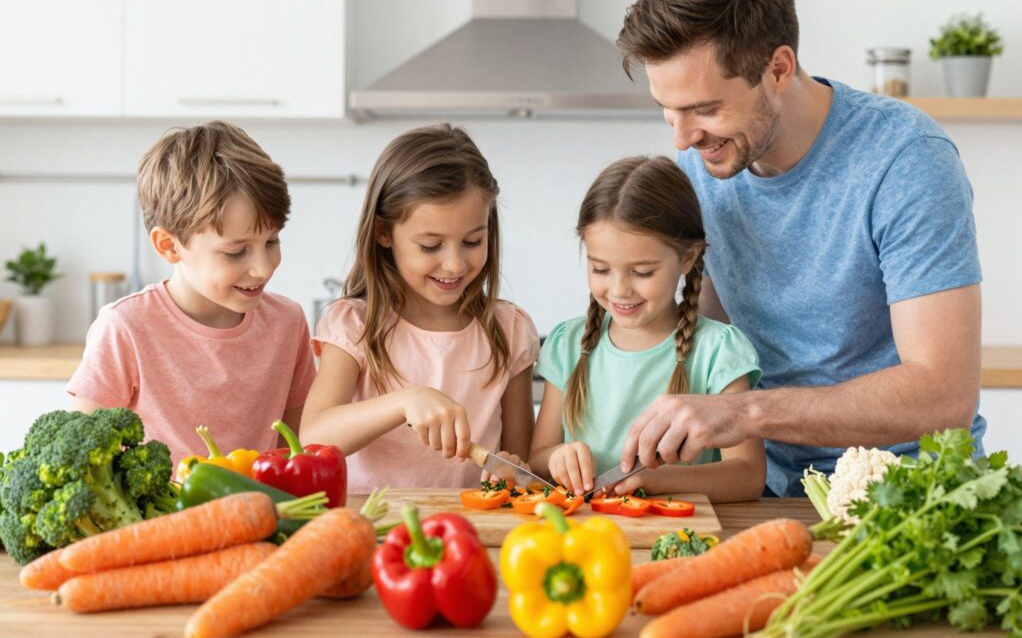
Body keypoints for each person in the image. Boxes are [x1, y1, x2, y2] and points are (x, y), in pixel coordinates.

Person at [615, 0, 984, 496]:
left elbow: (944, 394)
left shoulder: (906, 160)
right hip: (767, 487)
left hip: (910, 492)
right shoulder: (703, 167)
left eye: (705, 109)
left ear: (778, 68)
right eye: (669, 110)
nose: (682, 138)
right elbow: (702, 338)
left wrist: (745, 413)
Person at [300, 123, 539, 492]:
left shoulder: (509, 328)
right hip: (375, 527)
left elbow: (516, 458)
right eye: (430, 246)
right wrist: (404, 402)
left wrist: (512, 470)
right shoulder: (354, 325)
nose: (455, 264)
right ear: (382, 232)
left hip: (473, 527)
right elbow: (312, 439)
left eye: (473, 241)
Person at [67, 121, 317, 464]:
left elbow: (297, 449)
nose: (263, 267)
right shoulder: (126, 326)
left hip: (261, 514)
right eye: (236, 251)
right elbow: (78, 451)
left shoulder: (287, 322)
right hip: (161, 518)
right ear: (169, 246)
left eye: (271, 241)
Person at [528, 156, 765, 502]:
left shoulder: (719, 351)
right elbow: (536, 461)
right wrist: (555, 458)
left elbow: (747, 476)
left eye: (642, 272)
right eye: (601, 269)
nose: (620, 290)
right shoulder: (568, 344)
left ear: (687, 257)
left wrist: (657, 480)